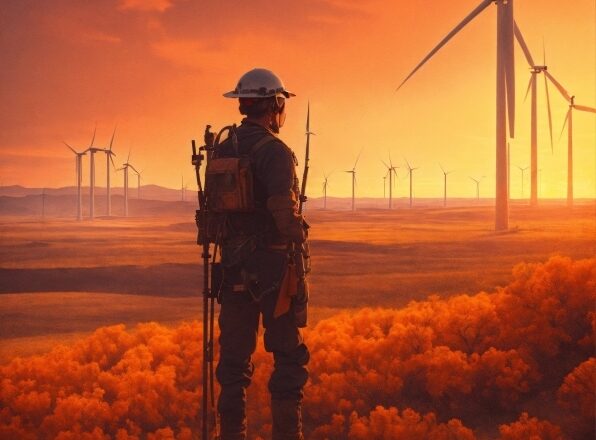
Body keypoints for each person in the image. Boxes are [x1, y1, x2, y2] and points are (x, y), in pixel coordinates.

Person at [216, 68, 309, 440]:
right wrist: (298, 236)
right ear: (275, 104)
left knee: (233, 366)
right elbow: (282, 212)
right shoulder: (275, 152)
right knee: (289, 358)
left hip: (232, 269)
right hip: (273, 270)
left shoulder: (223, 147)